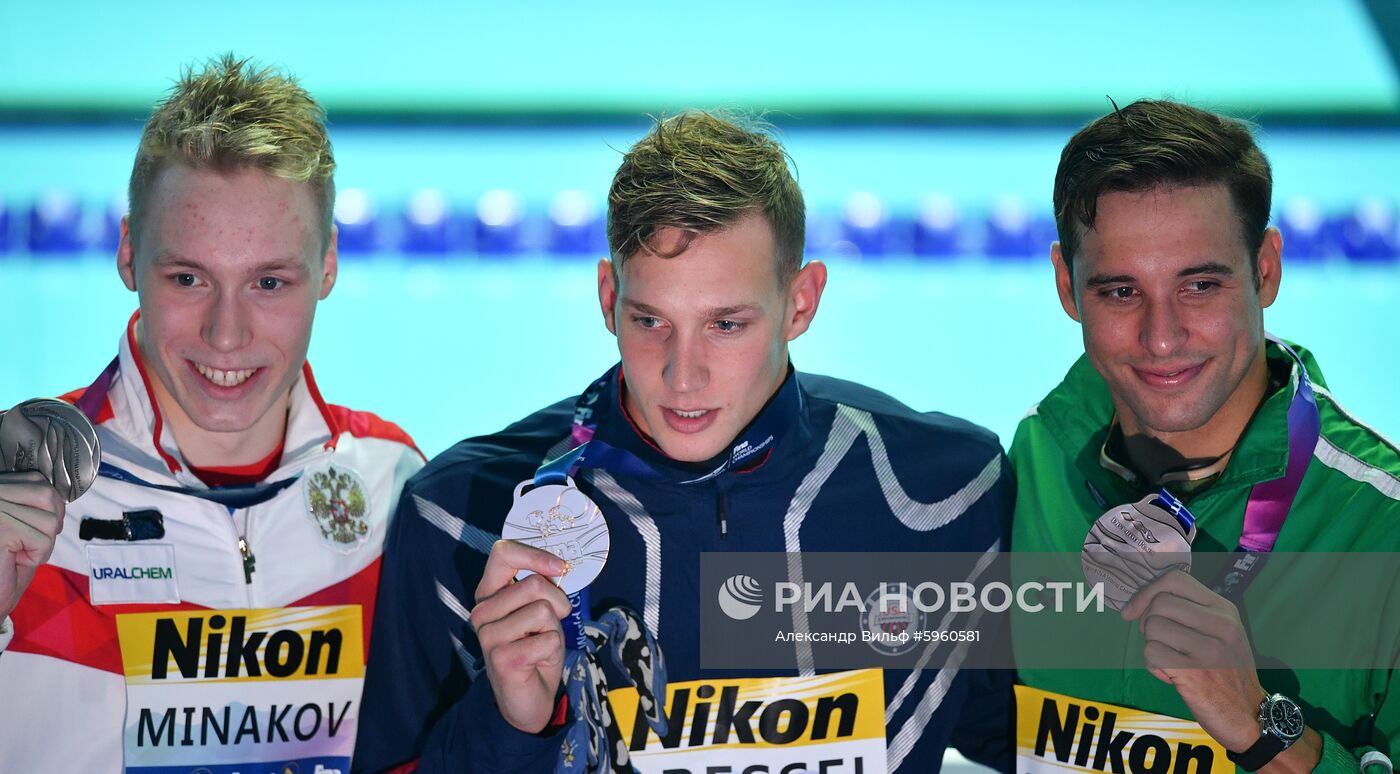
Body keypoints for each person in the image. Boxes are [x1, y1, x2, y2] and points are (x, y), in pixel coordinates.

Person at [355, 111, 1015, 773]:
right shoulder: (461, 517)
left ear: (802, 302)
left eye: (726, 324)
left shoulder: (946, 500)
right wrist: (510, 726)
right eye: (651, 321)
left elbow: (1045, 741)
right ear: (608, 297)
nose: (683, 375)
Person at [0, 54, 424, 773]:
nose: (226, 335)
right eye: (189, 277)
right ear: (130, 253)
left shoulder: (392, 486)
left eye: (268, 281)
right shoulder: (20, 484)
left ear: (327, 265)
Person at [1011, 99, 1400, 772]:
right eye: (1120, 293)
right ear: (1067, 288)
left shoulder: (1380, 529)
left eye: (1199, 285)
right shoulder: (1033, 470)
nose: (1162, 338)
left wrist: (1265, 729)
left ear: (1266, 270)